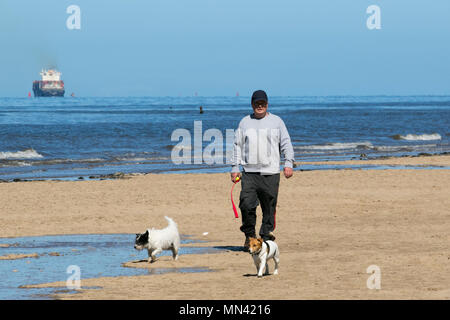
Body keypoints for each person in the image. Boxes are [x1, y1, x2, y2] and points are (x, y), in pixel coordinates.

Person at [231, 90, 294, 251]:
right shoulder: (244, 122)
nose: (260, 106)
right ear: (252, 105)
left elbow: (286, 142)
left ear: (267, 104)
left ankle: (265, 237)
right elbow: (237, 146)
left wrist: (288, 163)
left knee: (269, 208)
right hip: (249, 173)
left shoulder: (277, 121)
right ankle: (250, 236)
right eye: (257, 103)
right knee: (246, 205)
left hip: (271, 172)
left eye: (263, 103)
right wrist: (234, 167)